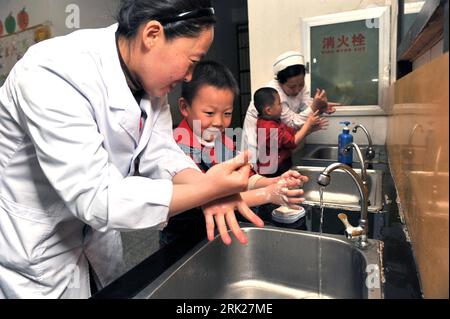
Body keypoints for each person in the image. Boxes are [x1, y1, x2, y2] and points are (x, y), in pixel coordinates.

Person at [0, 0, 263, 299]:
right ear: (152, 34)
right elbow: (98, 197)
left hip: (95, 237)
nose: (190, 77)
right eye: (192, 61)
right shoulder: (50, 72)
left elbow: (160, 150)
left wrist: (207, 186)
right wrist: (206, 191)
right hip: (39, 245)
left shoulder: (147, 78)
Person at [162, 61, 309, 245]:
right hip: (184, 239)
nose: (219, 122)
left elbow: (245, 178)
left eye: (227, 113)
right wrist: (268, 193)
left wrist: (274, 181)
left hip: (220, 231)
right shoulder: (178, 147)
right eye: (209, 112)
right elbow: (210, 196)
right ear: (185, 107)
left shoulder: (223, 140)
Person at [242, 51, 339, 166]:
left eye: (301, 84)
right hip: (258, 142)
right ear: (280, 82)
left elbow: (305, 105)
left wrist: (320, 107)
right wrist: (314, 108)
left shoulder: (300, 86)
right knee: (255, 169)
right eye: (292, 87)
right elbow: (293, 122)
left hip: (278, 148)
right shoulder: (275, 94)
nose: (298, 89)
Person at [254, 87, 320, 176]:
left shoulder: (274, 122)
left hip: (280, 166)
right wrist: (307, 124)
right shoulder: (268, 128)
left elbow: (293, 134)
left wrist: (309, 130)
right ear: (269, 110)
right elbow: (292, 142)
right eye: (279, 104)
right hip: (272, 171)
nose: (281, 107)